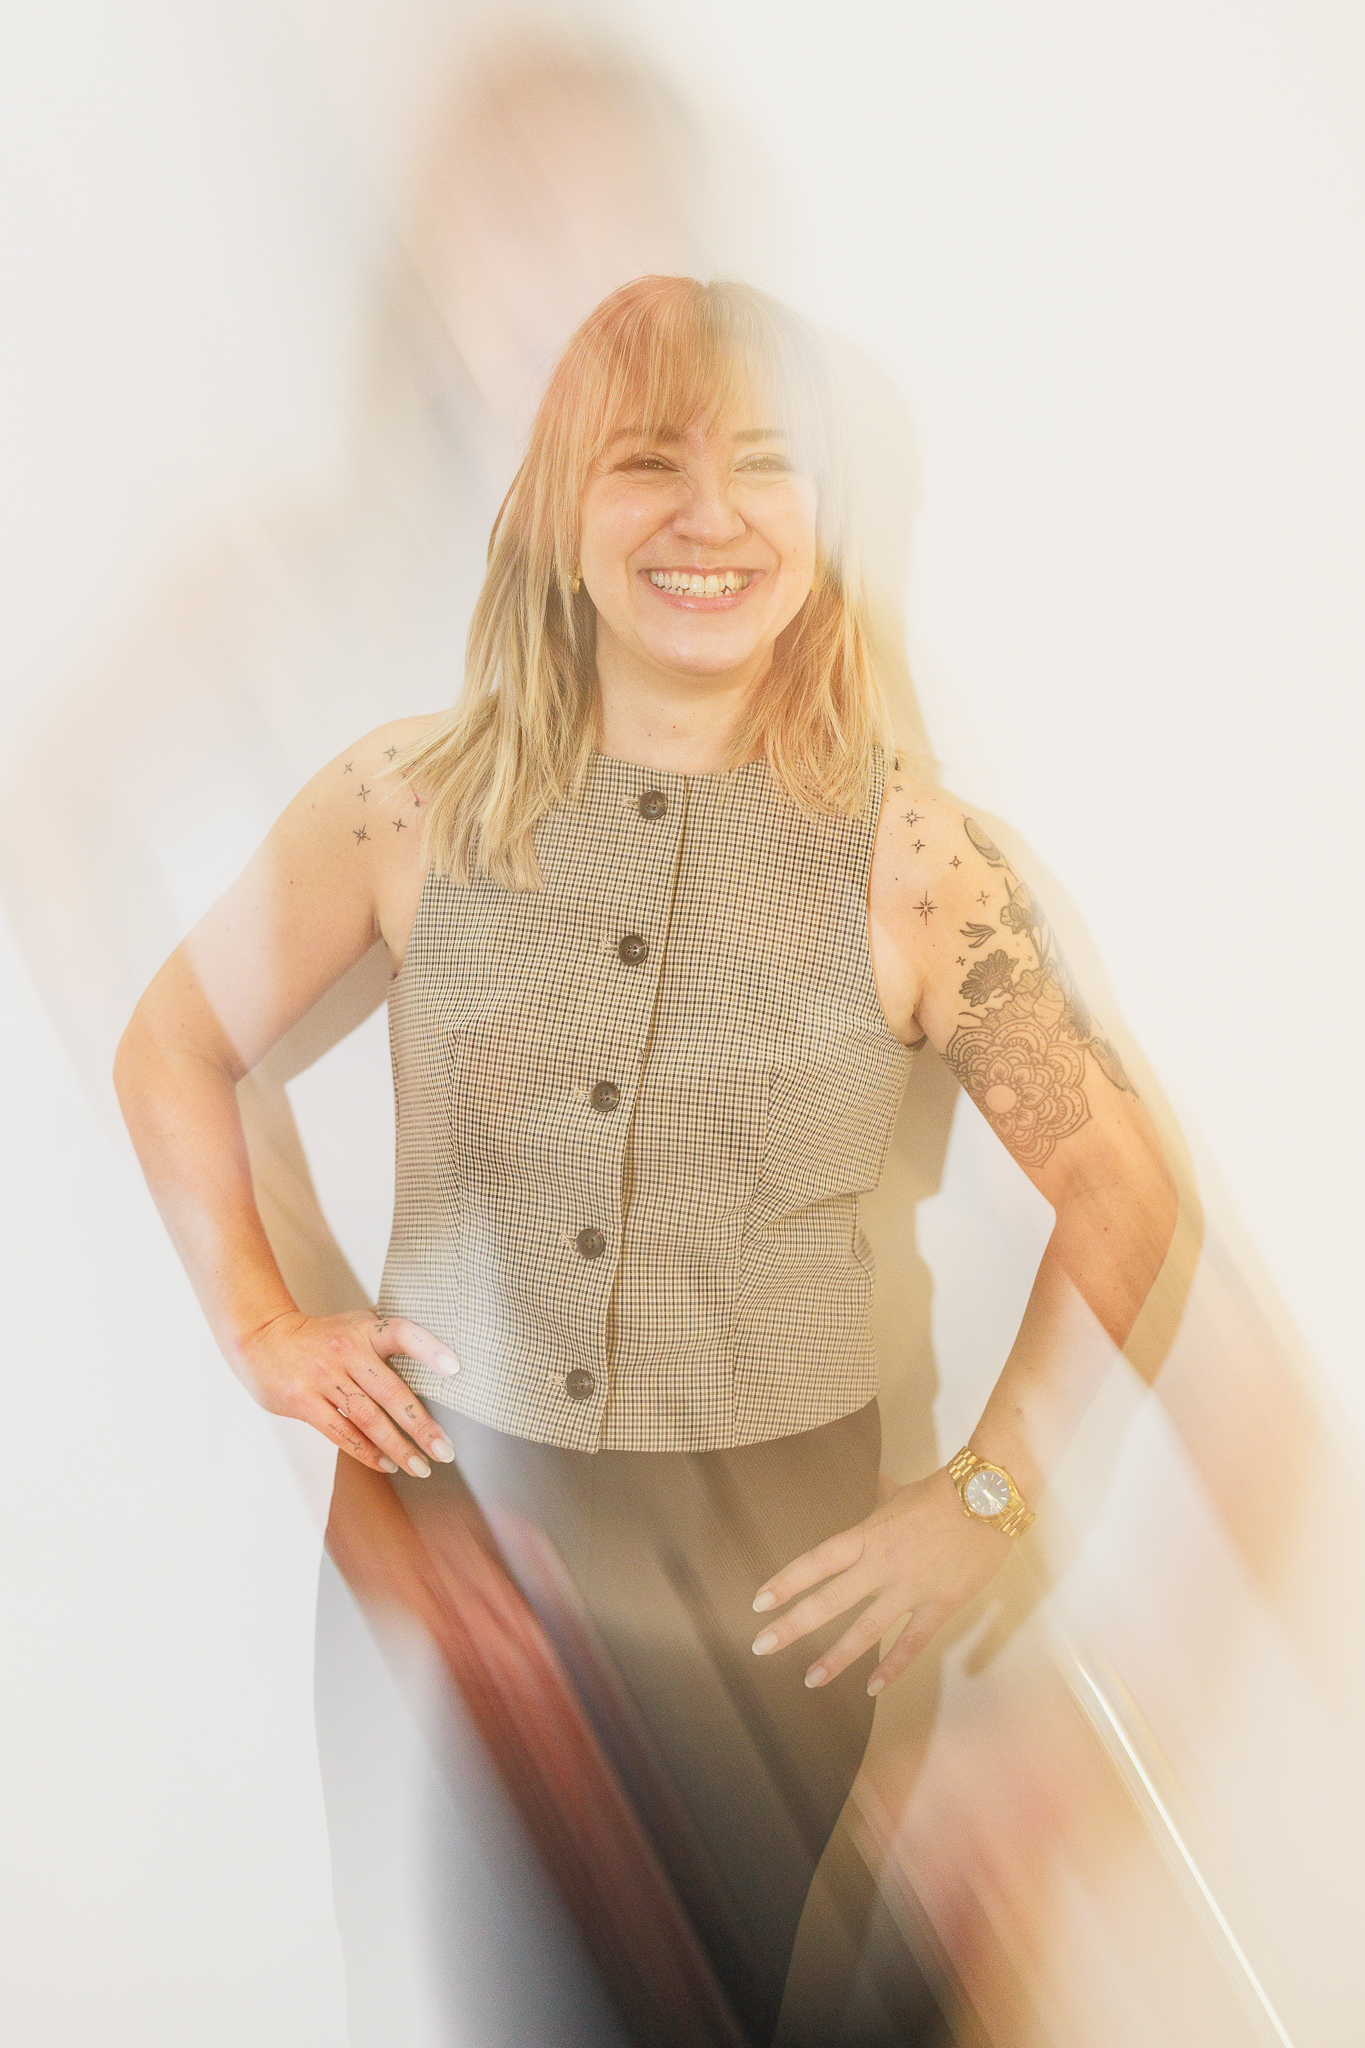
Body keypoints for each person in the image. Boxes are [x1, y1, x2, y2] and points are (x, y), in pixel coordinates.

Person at [114, 275, 1178, 2046]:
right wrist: (260, 1328)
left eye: (761, 464)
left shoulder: (919, 866)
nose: (709, 516)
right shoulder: (400, 804)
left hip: (776, 1598)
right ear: (557, 508)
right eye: (645, 463)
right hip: (445, 1550)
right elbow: (175, 1045)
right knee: (442, 2009)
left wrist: (989, 1500)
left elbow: (1120, 1194)